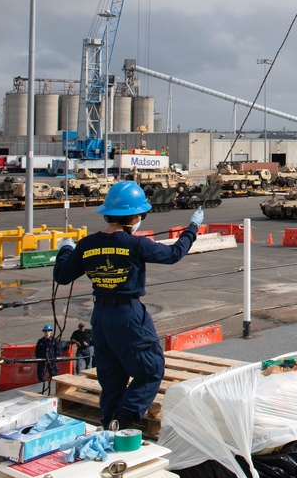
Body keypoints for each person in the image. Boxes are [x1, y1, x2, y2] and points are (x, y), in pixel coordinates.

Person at [54, 181, 204, 429]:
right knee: (150, 369)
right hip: (128, 315)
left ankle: (108, 426)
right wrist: (193, 227)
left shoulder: (87, 244)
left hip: (100, 317)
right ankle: (122, 421)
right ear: (135, 216)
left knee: (112, 378)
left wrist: (67, 249)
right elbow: (174, 254)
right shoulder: (136, 244)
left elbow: (62, 275)